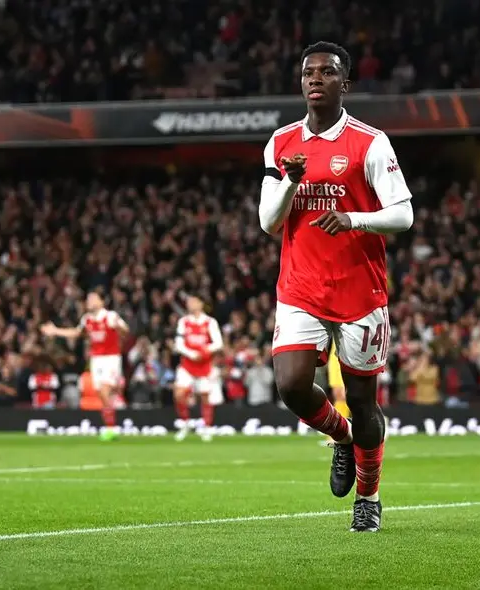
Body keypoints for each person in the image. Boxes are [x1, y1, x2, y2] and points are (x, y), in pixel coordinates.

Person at [258, 41, 414, 532]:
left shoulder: (371, 143)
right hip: (300, 288)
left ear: (344, 84)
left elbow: (404, 215)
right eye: (308, 73)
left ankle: (368, 497)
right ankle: (342, 438)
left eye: (327, 72)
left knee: (365, 401)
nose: (316, 79)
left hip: (358, 292)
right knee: (290, 384)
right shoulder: (281, 143)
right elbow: (267, 222)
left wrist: (352, 219)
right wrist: (289, 182)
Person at [42, 292, 129, 441]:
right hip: (96, 360)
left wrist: (118, 328)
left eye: (93, 298)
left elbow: (125, 331)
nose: (89, 301)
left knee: (104, 390)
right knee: (102, 394)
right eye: (88, 298)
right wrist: (56, 331)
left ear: (102, 302)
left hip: (111, 358)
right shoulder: (87, 319)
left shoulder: (110, 316)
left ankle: (111, 428)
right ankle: (111, 423)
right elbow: (76, 333)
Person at [172, 295, 224, 442]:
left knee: (205, 397)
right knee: (179, 394)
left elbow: (218, 343)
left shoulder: (210, 322)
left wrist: (204, 351)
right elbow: (179, 343)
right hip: (187, 364)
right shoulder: (184, 322)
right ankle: (185, 423)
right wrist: (191, 353)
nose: (190, 304)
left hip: (204, 365)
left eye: (193, 301)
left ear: (201, 304)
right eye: (189, 302)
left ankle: (207, 427)